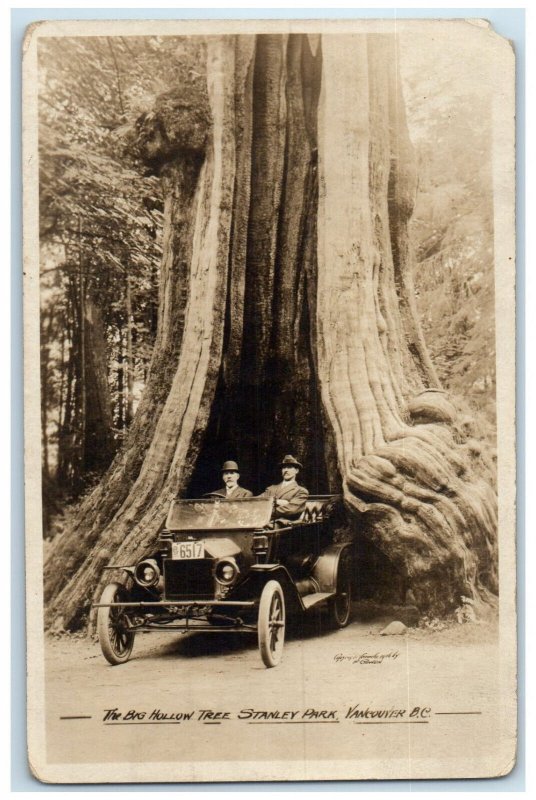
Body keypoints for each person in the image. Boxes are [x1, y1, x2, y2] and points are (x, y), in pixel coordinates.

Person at [260, 455, 309, 519]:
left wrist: (267, 509)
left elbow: (291, 509)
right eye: (284, 468)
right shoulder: (271, 489)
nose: (286, 470)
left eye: (289, 467)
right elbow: (257, 501)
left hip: (284, 524)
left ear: (296, 471)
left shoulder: (301, 491)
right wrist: (276, 501)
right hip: (263, 520)